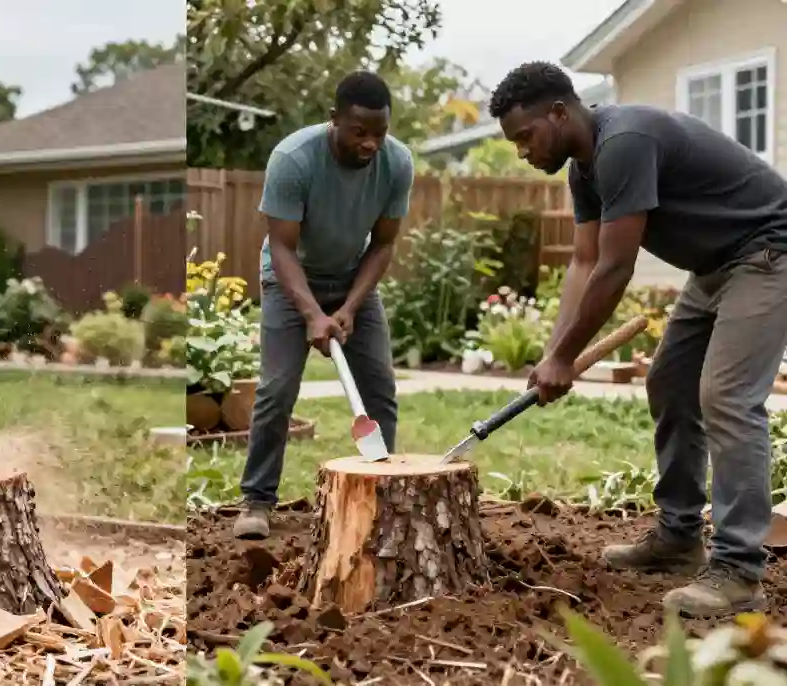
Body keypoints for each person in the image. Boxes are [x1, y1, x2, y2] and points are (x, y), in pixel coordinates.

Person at [488, 61, 787, 618]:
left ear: (560, 112)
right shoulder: (584, 170)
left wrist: (564, 357)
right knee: (669, 382)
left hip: (768, 251)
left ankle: (740, 570)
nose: (523, 152)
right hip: (714, 267)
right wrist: (554, 357)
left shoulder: (625, 140)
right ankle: (678, 537)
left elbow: (616, 268)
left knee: (726, 395)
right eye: (515, 143)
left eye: (526, 137)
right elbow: (583, 263)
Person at [232, 70, 414, 540]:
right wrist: (311, 312)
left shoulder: (397, 164)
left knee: (380, 389)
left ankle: (380, 493)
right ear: (333, 119)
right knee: (276, 390)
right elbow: (283, 247)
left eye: (380, 132)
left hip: (354, 279)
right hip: (290, 279)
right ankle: (256, 500)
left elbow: (384, 244)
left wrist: (351, 306)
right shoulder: (293, 159)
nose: (370, 143)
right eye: (359, 132)